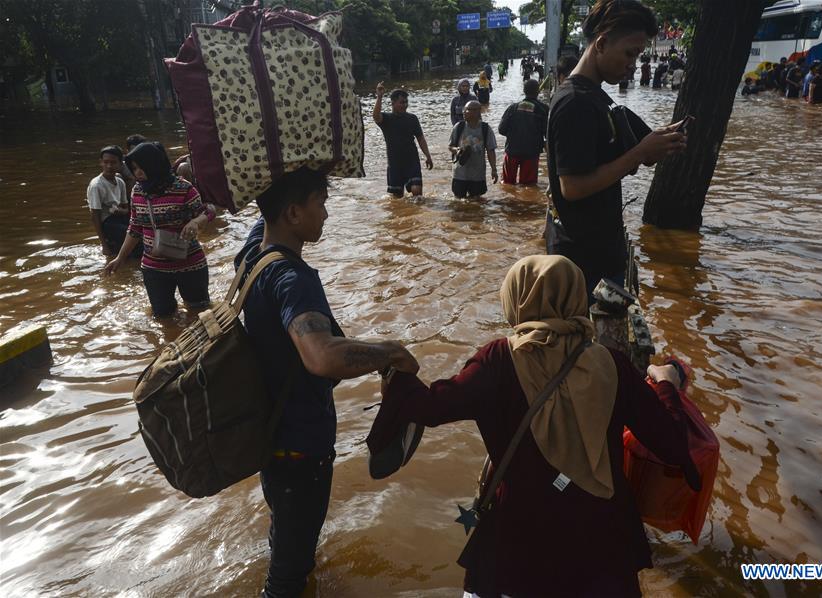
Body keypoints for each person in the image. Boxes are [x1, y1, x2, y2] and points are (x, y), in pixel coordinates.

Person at [367, 254, 701, 598]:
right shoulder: (611, 364)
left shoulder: (499, 360)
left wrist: (394, 365)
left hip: (518, 550)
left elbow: (428, 407)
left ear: (517, 299)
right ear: (576, 297)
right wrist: (666, 384)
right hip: (602, 551)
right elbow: (673, 444)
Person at [235, 167, 420, 597]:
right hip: (301, 446)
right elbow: (321, 357)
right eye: (321, 203)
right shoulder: (291, 279)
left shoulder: (252, 256)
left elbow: (263, 214)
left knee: (289, 538)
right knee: (287, 577)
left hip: (270, 436)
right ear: (294, 213)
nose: (327, 214)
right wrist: (390, 352)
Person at [546, 0, 687, 301]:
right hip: (582, 265)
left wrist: (651, 147)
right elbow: (572, 187)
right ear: (602, 42)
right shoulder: (575, 102)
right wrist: (638, 154)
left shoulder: (597, 97)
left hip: (600, 253)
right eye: (630, 53)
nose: (632, 65)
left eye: (637, 56)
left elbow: (614, 159)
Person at [103, 142, 215, 317]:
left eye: (142, 168)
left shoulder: (183, 188)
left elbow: (208, 211)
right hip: (153, 268)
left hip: (190, 264)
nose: (137, 173)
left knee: (199, 311)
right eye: (134, 168)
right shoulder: (138, 192)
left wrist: (196, 222)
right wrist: (120, 258)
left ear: (154, 164)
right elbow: (135, 228)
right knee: (163, 317)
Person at [373, 83, 434, 198]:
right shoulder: (386, 119)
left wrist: (428, 156)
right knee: (397, 199)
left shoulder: (412, 118)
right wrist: (379, 97)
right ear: (393, 103)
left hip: (411, 160)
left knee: (417, 192)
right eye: (402, 102)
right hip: (394, 163)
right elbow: (376, 116)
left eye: (406, 102)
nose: (405, 105)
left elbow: (420, 138)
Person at [86, 145, 140, 259]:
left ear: (121, 164)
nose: (109, 166)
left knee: (140, 232)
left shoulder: (120, 181)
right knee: (135, 239)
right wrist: (104, 245)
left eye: (113, 162)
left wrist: (122, 211)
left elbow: (126, 208)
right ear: (101, 162)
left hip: (120, 217)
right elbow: (95, 215)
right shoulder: (96, 185)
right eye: (106, 162)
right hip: (107, 223)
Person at [498, 79, 549, 186]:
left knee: (507, 184)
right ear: (538, 91)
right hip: (532, 152)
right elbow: (548, 133)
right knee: (529, 186)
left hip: (512, 150)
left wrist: (514, 135)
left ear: (524, 91)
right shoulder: (543, 109)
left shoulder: (512, 108)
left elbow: (501, 129)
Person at [449, 100, 498, 199]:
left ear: (476, 112)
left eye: (466, 110)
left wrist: (494, 170)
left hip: (477, 174)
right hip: (459, 173)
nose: (463, 112)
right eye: (464, 110)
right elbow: (450, 146)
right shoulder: (459, 127)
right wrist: (457, 150)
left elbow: (490, 151)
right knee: (458, 202)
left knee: (477, 202)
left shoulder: (485, 129)